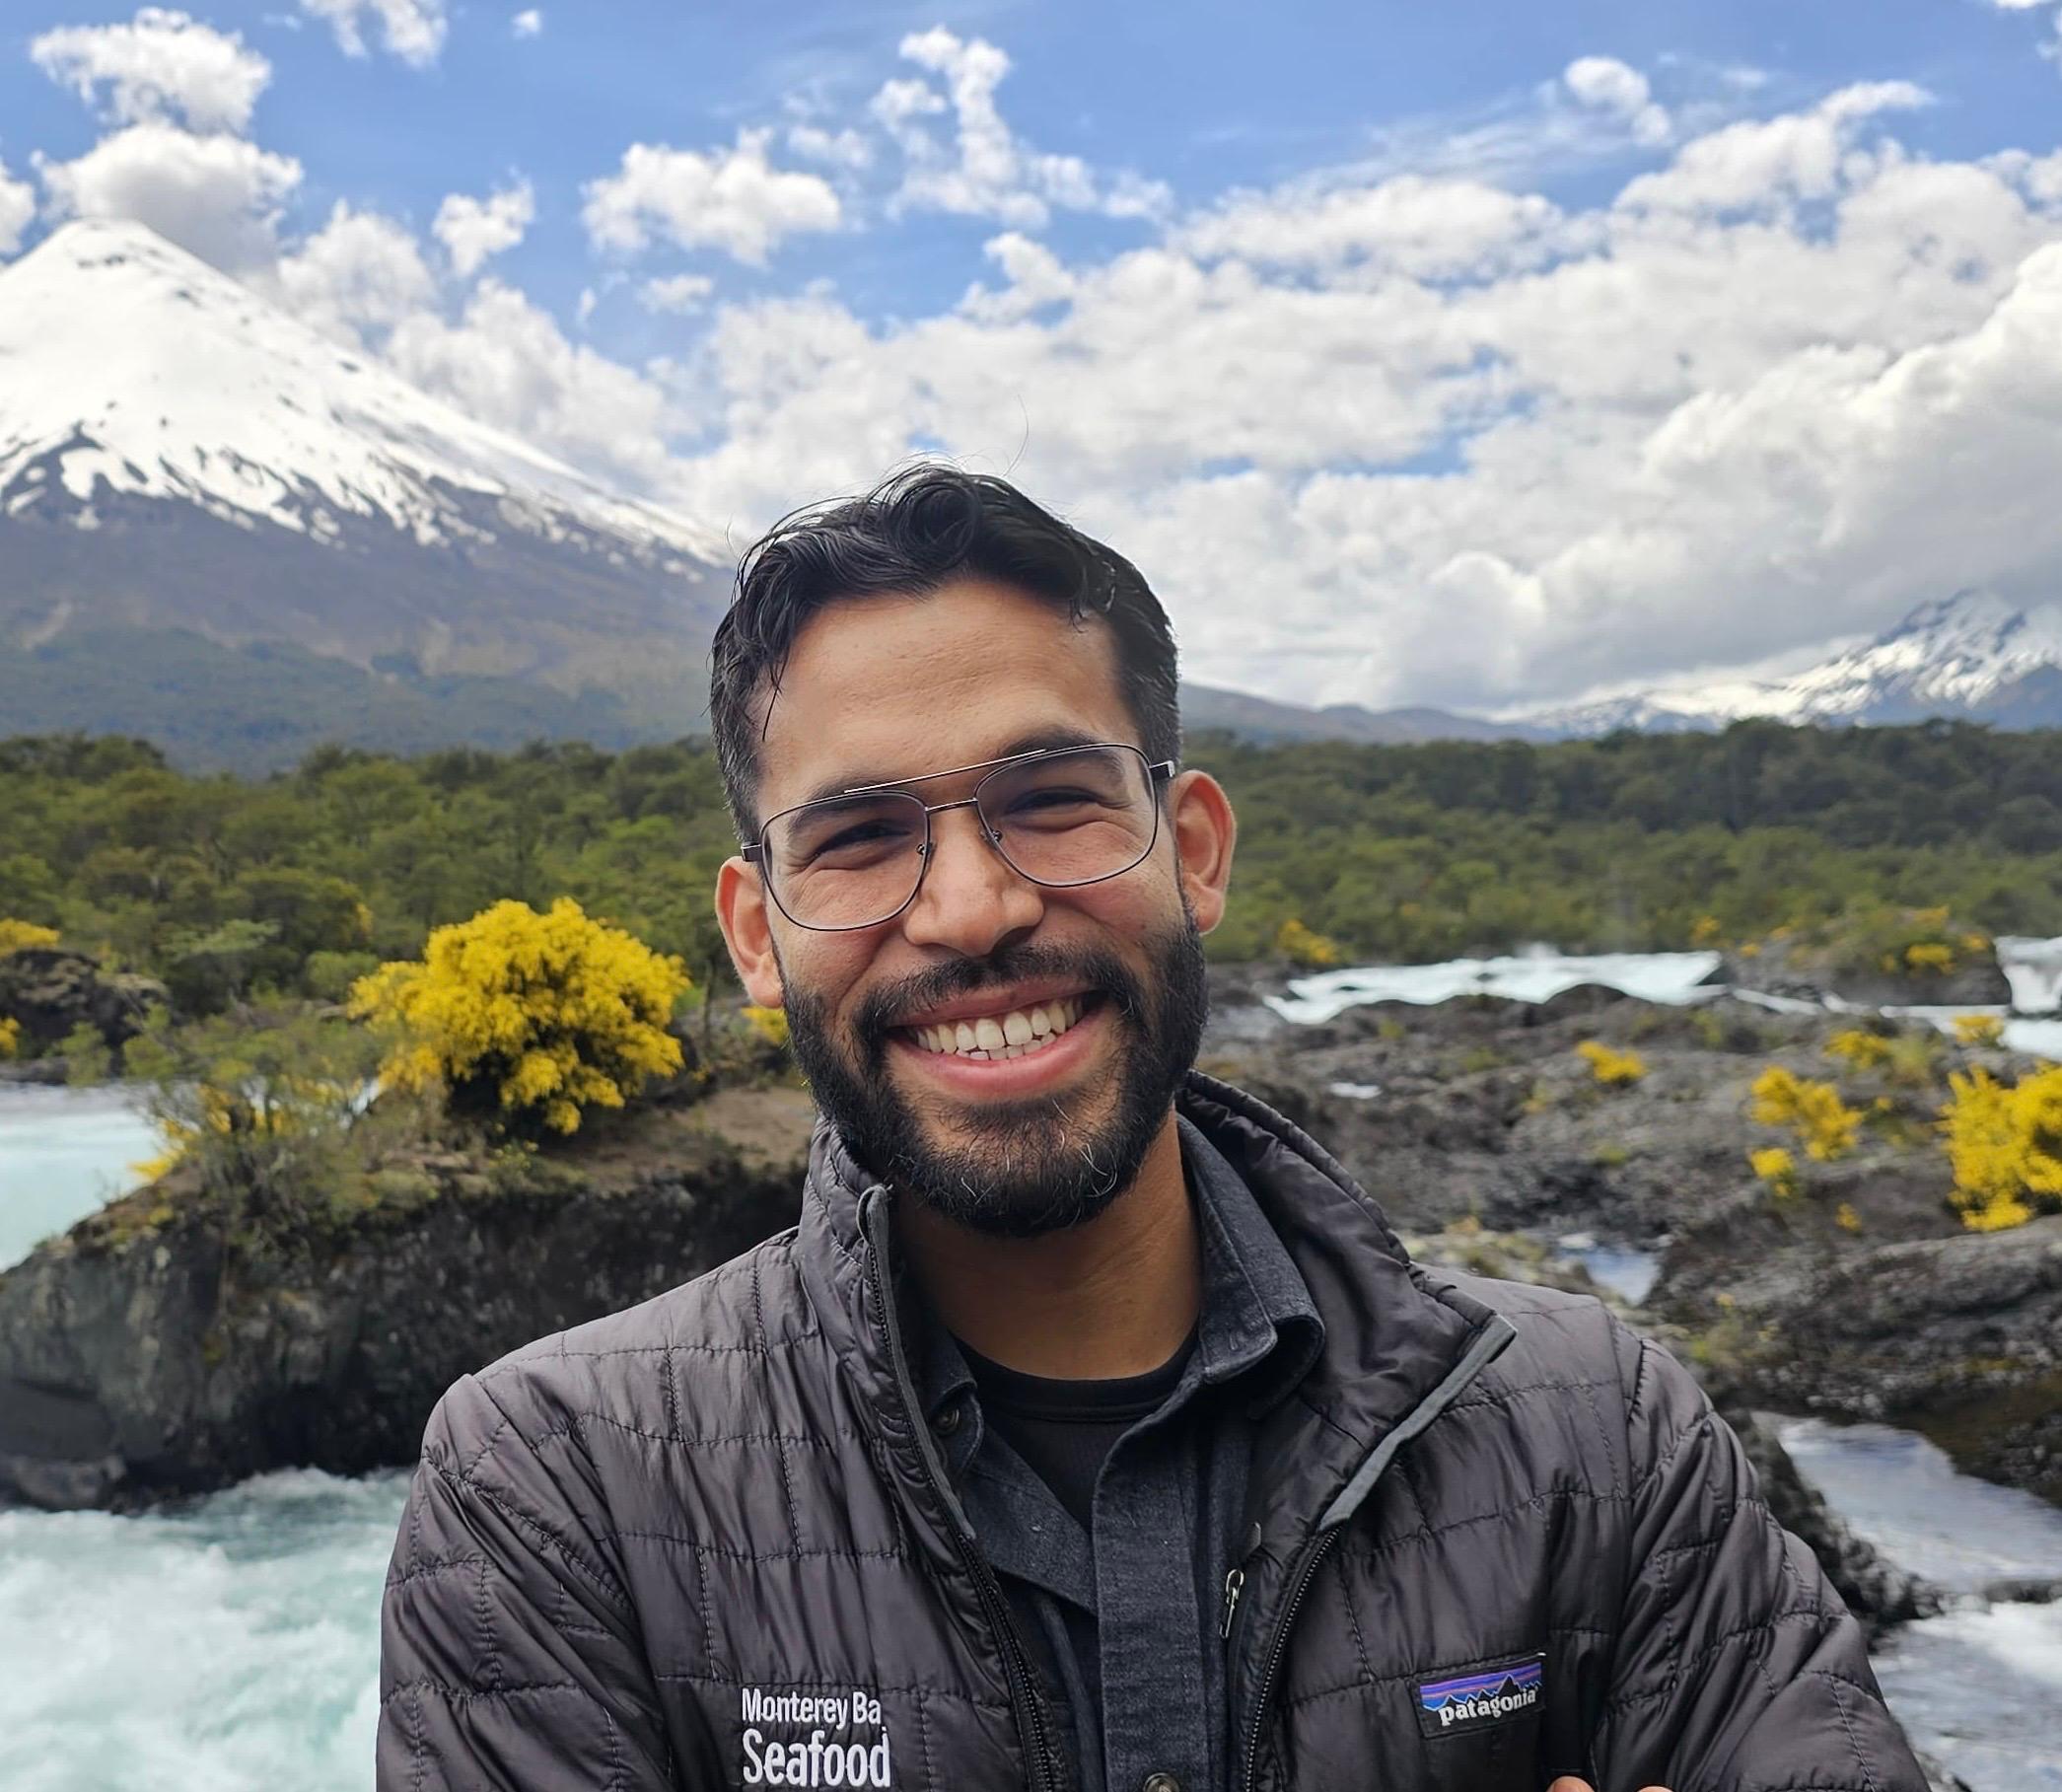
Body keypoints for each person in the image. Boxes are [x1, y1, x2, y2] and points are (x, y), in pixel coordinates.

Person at [376, 466, 1926, 1791]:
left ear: (1192, 850)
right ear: (755, 932)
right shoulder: (559, 1494)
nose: (971, 907)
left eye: (1051, 798)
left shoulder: (1595, 1434)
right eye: (857, 836)